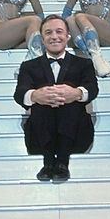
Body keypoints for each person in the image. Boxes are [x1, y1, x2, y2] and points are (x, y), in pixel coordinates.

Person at [14, 14, 98, 182]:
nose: (54, 36)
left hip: (76, 134)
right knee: (42, 97)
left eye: (59, 32)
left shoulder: (84, 63)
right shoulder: (28, 66)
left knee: (68, 97)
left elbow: (92, 89)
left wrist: (76, 93)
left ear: (67, 36)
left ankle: (62, 161)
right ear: (42, 39)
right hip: (40, 134)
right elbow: (19, 93)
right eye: (48, 33)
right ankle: (48, 161)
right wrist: (35, 95)